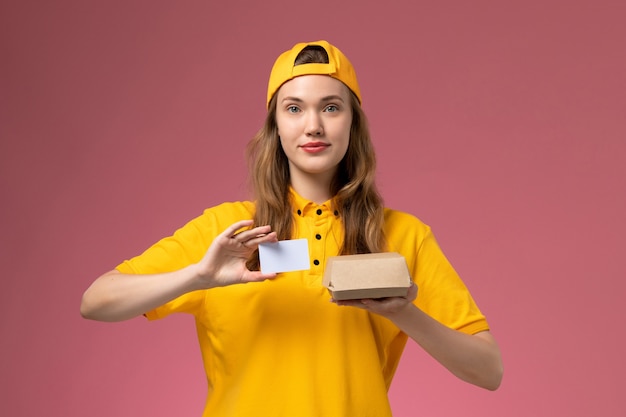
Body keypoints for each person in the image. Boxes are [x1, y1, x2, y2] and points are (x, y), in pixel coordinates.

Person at [81, 40, 503, 416]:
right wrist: (199, 276)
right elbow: (96, 301)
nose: (313, 125)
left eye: (331, 107)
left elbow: (488, 370)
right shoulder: (228, 232)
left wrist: (404, 312)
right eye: (295, 108)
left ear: (353, 124)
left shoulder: (403, 235)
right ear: (276, 126)